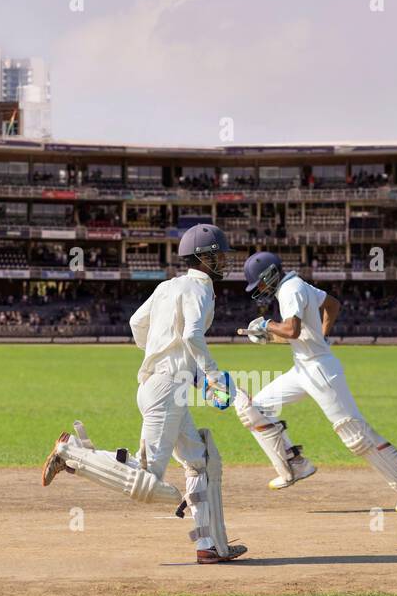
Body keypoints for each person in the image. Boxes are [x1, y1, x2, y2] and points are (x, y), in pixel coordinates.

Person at [41, 223, 247, 564]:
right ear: (202, 258)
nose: (223, 261)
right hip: (167, 390)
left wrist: (159, 356)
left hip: (163, 386)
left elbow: (137, 323)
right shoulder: (201, 288)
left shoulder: (167, 287)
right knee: (149, 481)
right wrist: (211, 375)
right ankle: (72, 454)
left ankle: (208, 545)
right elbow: (194, 335)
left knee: (200, 461)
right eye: (218, 255)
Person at [233, 251, 397, 513]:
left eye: (261, 283)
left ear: (271, 274)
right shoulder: (296, 284)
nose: (261, 289)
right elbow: (332, 305)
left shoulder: (291, 289)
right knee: (254, 408)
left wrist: (268, 325)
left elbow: (292, 329)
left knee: (354, 435)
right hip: (304, 368)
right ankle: (294, 464)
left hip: (320, 370)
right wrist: (317, 336)